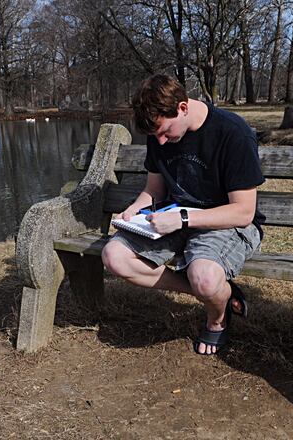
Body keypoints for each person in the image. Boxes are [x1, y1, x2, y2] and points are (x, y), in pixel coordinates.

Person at [101, 74, 265, 355]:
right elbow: (153, 189)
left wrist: (185, 218)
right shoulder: (159, 135)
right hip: (173, 219)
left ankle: (217, 320)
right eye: (155, 136)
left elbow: (243, 212)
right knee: (113, 256)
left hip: (225, 223)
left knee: (205, 277)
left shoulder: (233, 133)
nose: (161, 142)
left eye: (165, 132)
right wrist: (135, 209)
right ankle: (218, 293)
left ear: (183, 108)